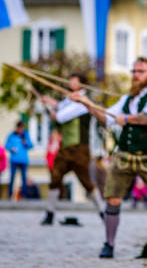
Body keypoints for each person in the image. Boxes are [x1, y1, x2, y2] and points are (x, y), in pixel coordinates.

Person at [71, 57, 147, 258]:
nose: (135, 75)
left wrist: (125, 119)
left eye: (140, 71)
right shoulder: (127, 100)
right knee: (113, 199)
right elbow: (107, 118)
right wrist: (87, 103)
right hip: (124, 155)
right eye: (134, 71)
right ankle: (109, 244)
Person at [38, 73, 104, 225]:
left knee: (86, 182)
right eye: (70, 81)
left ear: (82, 85)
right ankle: (50, 213)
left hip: (80, 150)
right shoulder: (70, 100)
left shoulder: (83, 102)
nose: (70, 84)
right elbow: (61, 106)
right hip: (65, 148)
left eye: (74, 82)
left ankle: (102, 212)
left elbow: (61, 116)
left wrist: (53, 111)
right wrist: (49, 102)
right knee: (55, 177)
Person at [5, 121, 33, 199]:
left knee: (24, 178)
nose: (21, 130)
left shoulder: (26, 135)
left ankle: (24, 195)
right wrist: (11, 148)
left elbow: (31, 145)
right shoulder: (11, 135)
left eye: (22, 128)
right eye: (19, 128)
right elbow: (6, 145)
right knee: (12, 177)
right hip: (14, 160)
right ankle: (10, 194)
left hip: (24, 160)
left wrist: (25, 142)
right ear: (17, 128)